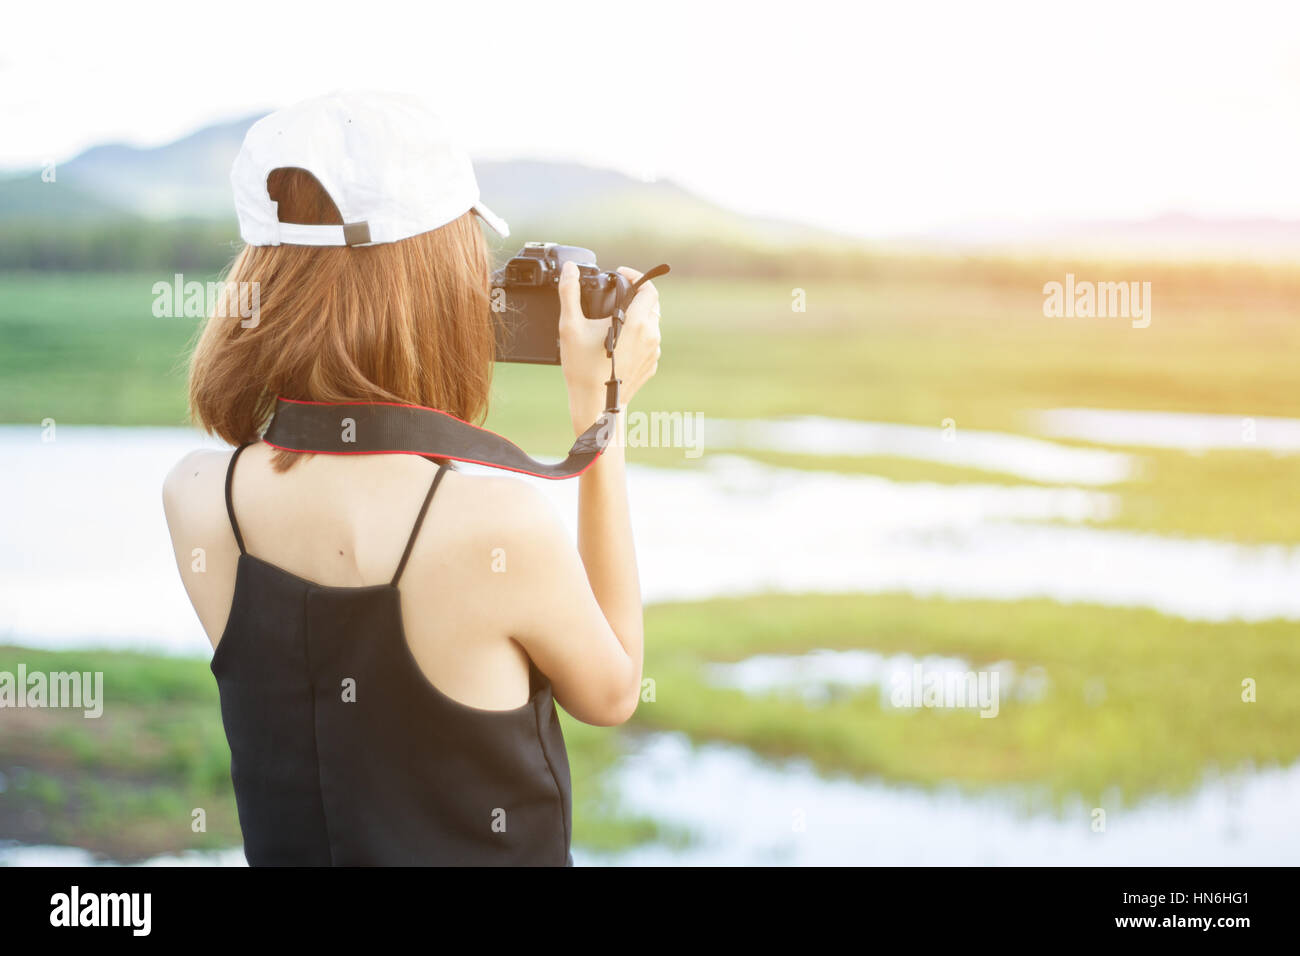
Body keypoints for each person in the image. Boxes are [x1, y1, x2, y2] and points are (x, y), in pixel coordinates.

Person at [161, 91, 660, 865]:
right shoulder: (495, 526)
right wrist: (604, 412)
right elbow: (614, 691)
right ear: (436, 282)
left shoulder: (198, 497)